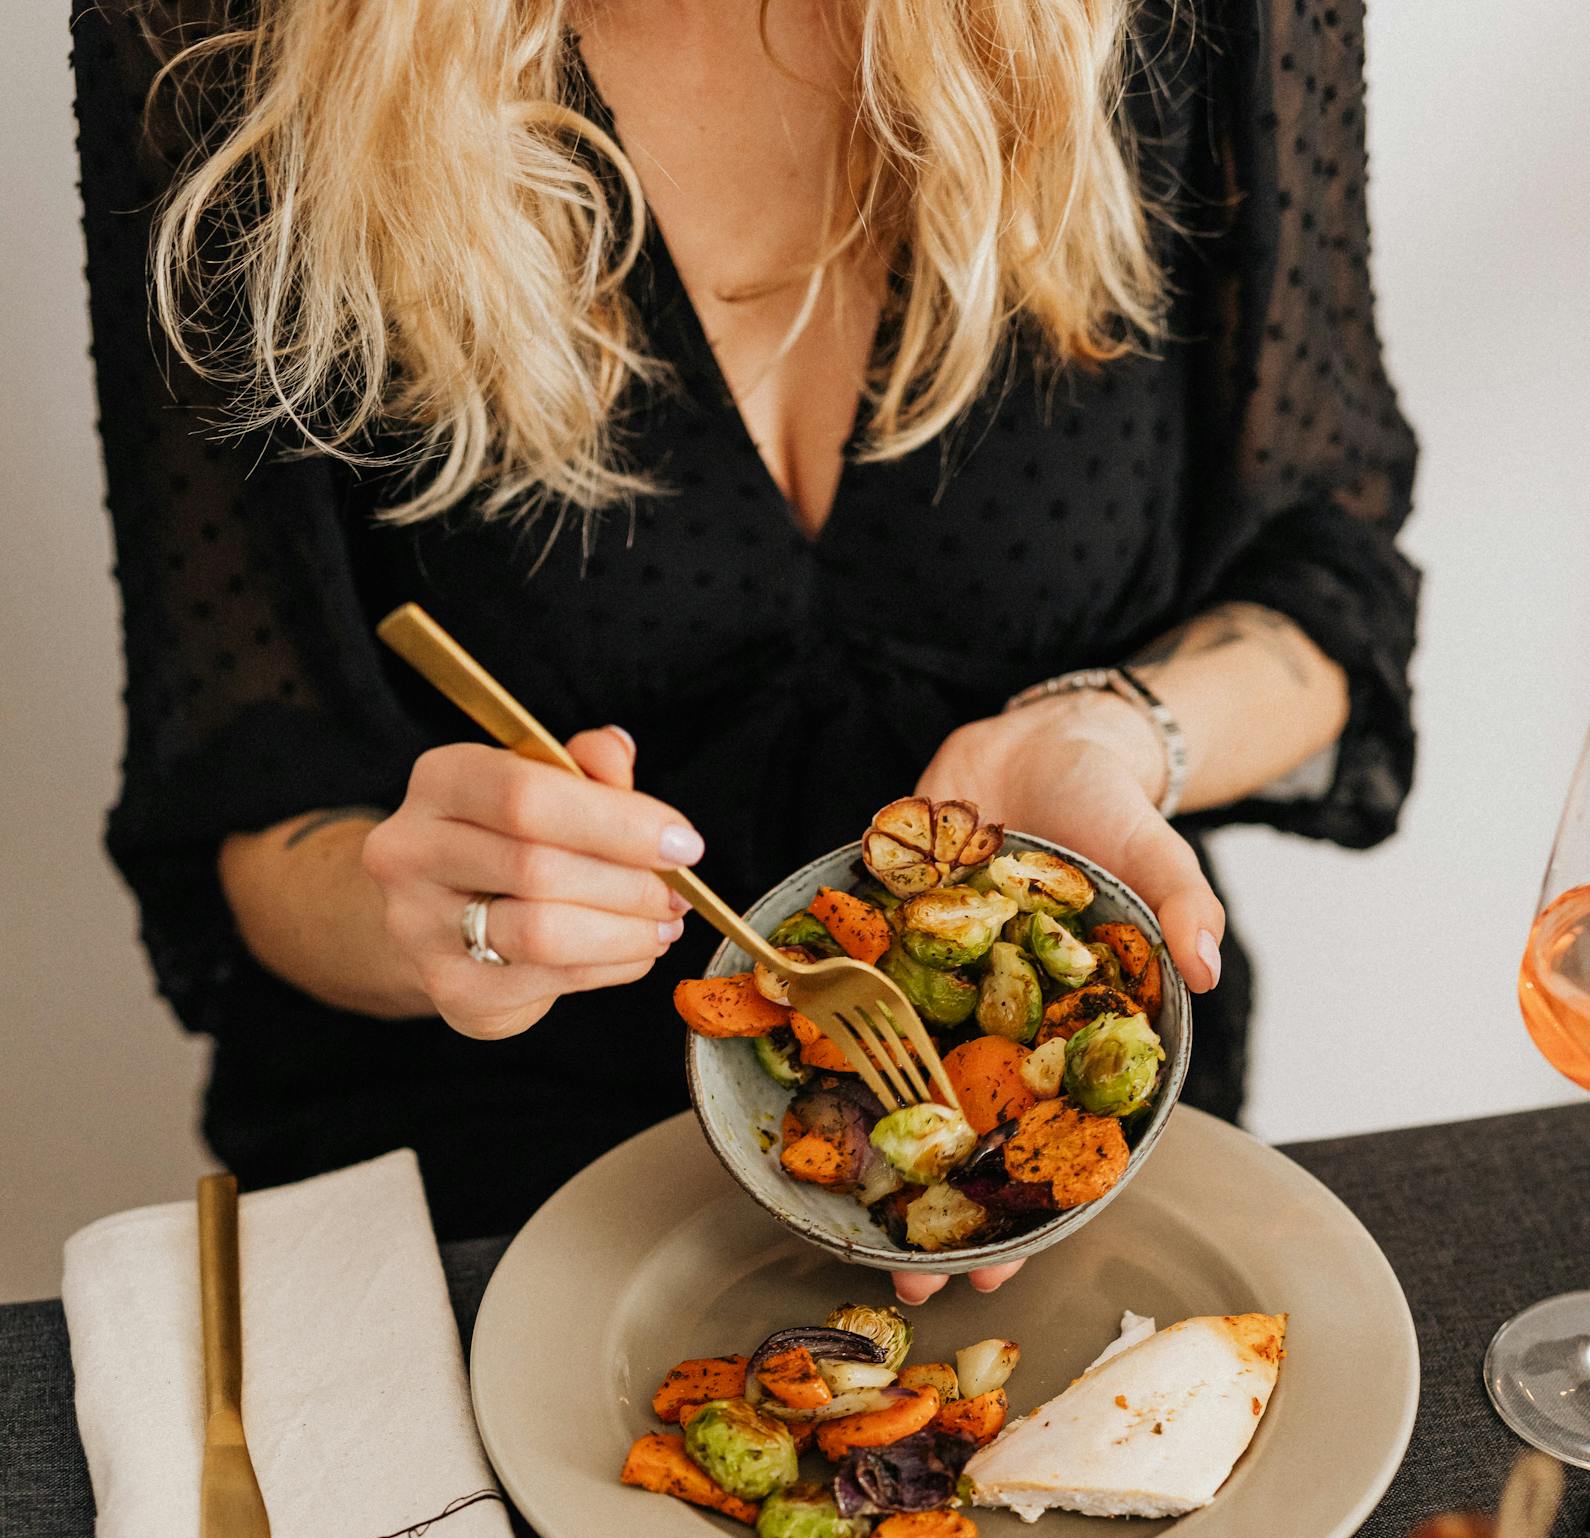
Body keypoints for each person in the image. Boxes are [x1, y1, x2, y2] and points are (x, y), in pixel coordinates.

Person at [75, 0, 1416, 1301]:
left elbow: (1328, 571)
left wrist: (1114, 730)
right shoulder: (214, 32)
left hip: (1065, 1162)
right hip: (479, 1185)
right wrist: (432, 917)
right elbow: (247, 795)